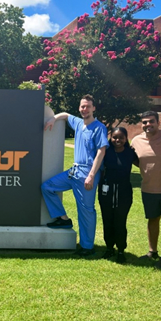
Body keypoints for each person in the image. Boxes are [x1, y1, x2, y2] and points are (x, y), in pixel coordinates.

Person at [41, 95, 108, 256]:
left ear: (93, 108)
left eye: (88, 106)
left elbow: (101, 151)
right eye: (82, 106)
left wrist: (91, 175)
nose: (84, 109)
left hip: (87, 173)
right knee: (47, 187)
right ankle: (63, 219)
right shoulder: (78, 123)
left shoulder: (99, 127)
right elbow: (64, 114)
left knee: (85, 210)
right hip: (74, 171)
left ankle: (87, 247)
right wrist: (53, 119)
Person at [130, 111, 161, 269]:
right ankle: (152, 251)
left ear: (158, 122)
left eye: (151, 121)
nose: (148, 125)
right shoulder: (137, 140)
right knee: (152, 220)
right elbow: (134, 159)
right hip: (148, 189)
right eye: (144, 122)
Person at [98, 127, 138, 263]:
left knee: (120, 222)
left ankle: (121, 250)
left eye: (121, 137)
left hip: (124, 192)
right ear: (111, 138)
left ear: (126, 138)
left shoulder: (130, 153)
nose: (117, 140)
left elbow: (144, 164)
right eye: (115, 137)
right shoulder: (106, 152)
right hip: (106, 192)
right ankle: (109, 248)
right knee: (107, 220)